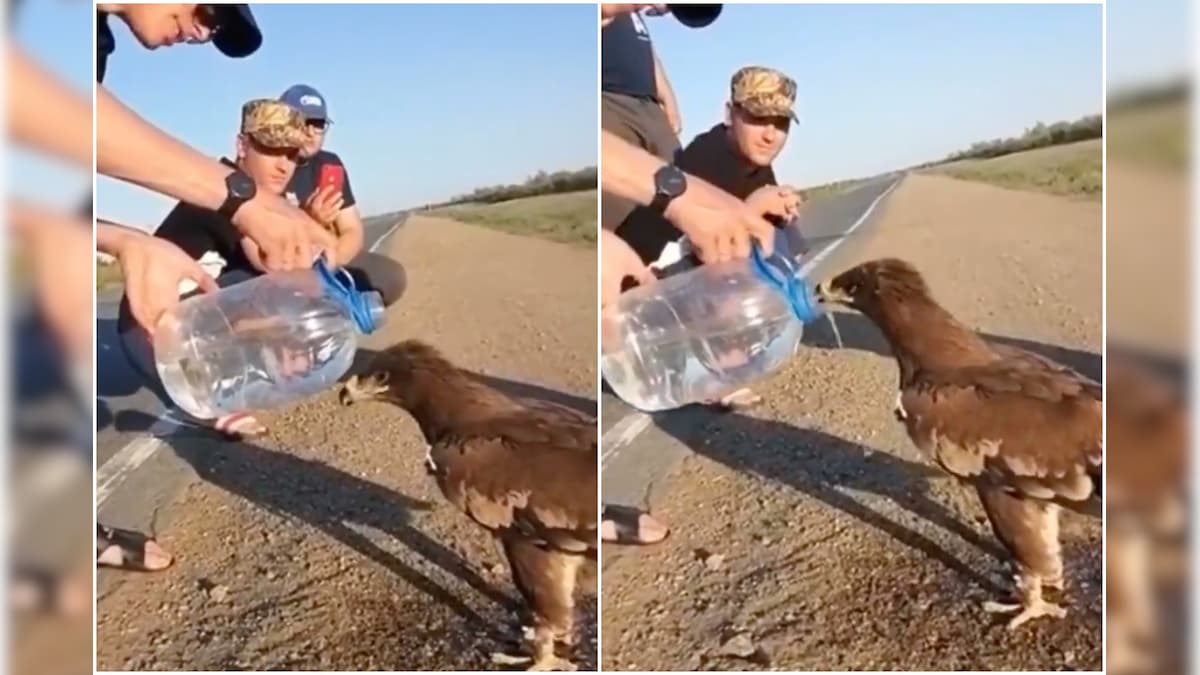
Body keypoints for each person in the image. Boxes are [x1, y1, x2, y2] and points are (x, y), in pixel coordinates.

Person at [115, 98, 407, 439]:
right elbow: (278, 264)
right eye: (272, 150)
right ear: (242, 146)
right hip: (154, 332)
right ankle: (213, 396)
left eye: (292, 155)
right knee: (280, 292)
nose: (284, 166)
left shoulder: (260, 197)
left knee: (363, 280)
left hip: (204, 310)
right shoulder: (226, 190)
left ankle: (254, 363)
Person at [618, 65, 805, 266]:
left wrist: (783, 205)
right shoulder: (706, 160)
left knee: (786, 237)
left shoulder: (751, 157)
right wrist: (754, 208)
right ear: (729, 115)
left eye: (781, 123)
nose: (770, 136)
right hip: (645, 275)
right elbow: (692, 250)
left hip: (683, 269)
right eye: (758, 119)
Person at [599, 4, 721, 233]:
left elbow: (645, 46)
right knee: (621, 202)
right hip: (608, 97)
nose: (659, 10)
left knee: (681, 184)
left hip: (648, 102)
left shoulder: (632, 15)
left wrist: (667, 95)